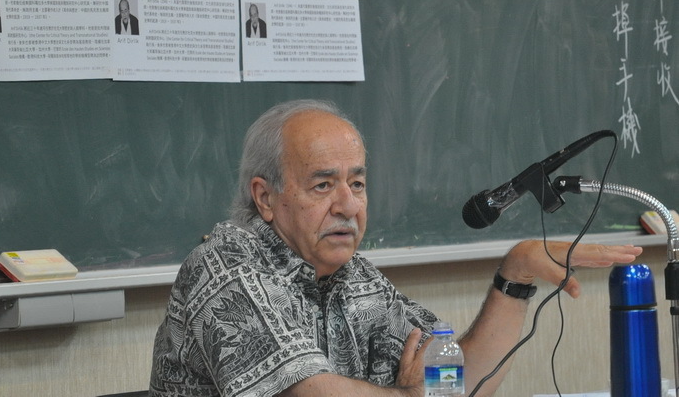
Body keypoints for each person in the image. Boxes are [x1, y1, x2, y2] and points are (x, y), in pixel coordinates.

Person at [149, 99, 642, 397]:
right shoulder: (226, 265)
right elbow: (310, 393)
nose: (348, 205)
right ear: (265, 198)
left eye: (357, 184)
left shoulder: (355, 276)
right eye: (323, 185)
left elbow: (456, 381)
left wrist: (517, 275)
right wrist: (410, 395)